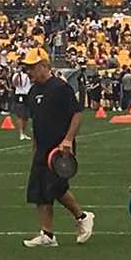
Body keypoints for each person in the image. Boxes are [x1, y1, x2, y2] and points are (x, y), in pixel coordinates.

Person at [21, 48, 95, 248]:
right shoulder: (33, 91)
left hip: (60, 149)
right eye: (27, 68)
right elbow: (37, 122)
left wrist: (68, 140)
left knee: (55, 187)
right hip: (42, 148)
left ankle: (82, 216)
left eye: (33, 67)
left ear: (45, 66)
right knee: (39, 192)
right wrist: (35, 148)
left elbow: (77, 114)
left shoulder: (61, 88)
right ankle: (47, 234)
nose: (29, 72)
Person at [12, 65, 33, 141]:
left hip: (27, 95)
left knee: (26, 116)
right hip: (20, 94)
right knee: (20, 115)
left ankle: (24, 132)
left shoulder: (28, 75)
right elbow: (15, 84)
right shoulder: (16, 75)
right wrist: (18, 75)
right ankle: (21, 133)